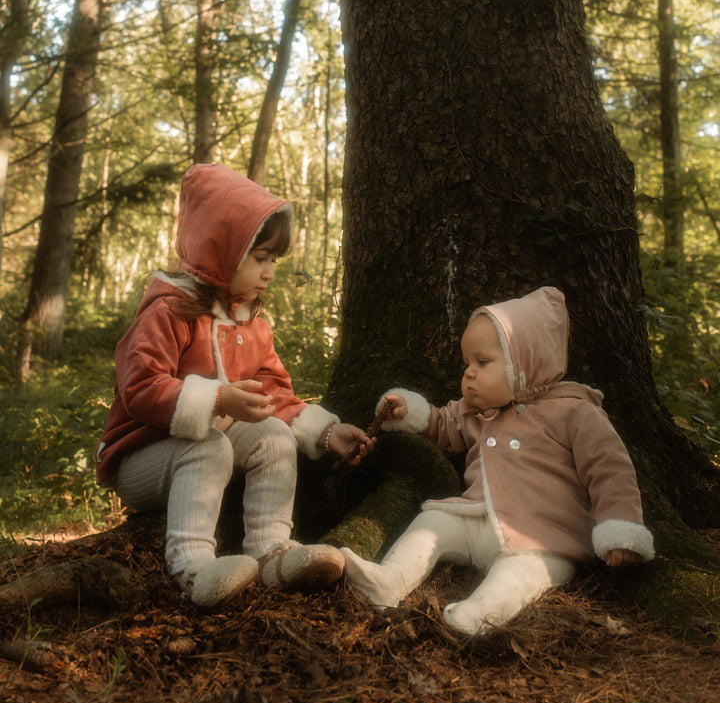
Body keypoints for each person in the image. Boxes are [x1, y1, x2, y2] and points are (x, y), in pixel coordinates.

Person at [95, 162, 375, 608]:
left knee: (274, 437)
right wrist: (217, 398)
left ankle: (270, 553)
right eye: (260, 258)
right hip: (140, 459)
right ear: (220, 250)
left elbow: (272, 395)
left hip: (203, 446)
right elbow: (140, 387)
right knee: (211, 446)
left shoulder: (250, 324)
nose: (269, 272)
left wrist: (324, 431)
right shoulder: (169, 311)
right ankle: (191, 568)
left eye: (273, 261)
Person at [341, 286, 655, 638]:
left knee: (521, 575)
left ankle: (480, 614)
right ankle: (388, 581)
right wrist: (411, 412)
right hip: (478, 517)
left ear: (524, 362)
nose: (469, 374)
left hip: (545, 538)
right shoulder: (477, 412)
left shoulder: (575, 411)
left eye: (482, 362)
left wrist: (621, 528)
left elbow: (609, 469)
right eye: (467, 365)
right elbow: (443, 425)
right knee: (432, 522)